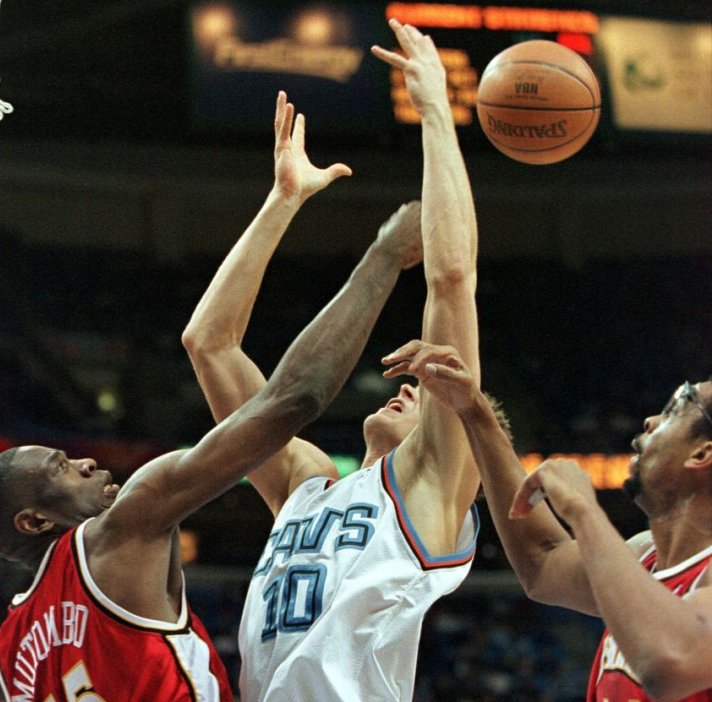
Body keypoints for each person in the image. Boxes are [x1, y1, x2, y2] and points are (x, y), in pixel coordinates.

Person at [0, 94, 422, 702]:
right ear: (34, 520)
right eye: (59, 465)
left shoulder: (6, 655)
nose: (84, 461)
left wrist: (283, 201)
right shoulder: (126, 524)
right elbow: (295, 399)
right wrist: (385, 256)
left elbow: (207, 342)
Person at [182, 19, 482, 701]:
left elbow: (451, 279)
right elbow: (209, 344)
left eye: (426, 398)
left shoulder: (433, 486)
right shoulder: (305, 483)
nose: (409, 389)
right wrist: (281, 202)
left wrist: (435, 108)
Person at [382, 339, 712, 702]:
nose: (651, 420)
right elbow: (542, 559)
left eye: (677, 407)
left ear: (703, 452)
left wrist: (584, 511)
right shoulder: (645, 558)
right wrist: (474, 411)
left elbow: (670, 662)